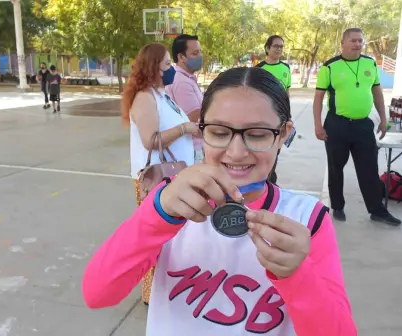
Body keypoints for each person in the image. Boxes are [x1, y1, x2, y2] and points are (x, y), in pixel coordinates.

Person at [83, 67, 357, 336]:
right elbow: (97, 294)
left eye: (258, 134)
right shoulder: (170, 202)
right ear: (201, 130)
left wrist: (298, 275)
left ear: (283, 134)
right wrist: (156, 215)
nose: (236, 152)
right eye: (219, 132)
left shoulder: (307, 219)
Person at [121, 43, 199, 305]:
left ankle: (167, 289)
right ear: (152, 68)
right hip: (157, 179)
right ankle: (151, 294)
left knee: (172, 238)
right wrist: (185, 129)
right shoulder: (144, 97)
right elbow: (150, 140)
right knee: (155, 238)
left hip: (173, 176)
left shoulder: (161, 94)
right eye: (166, 65)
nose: (170, 70)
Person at [313, 27, 401, 226]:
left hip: (363, 126)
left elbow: (377, 92)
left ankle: (377, 210)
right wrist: (318, 125)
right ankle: (338, 206)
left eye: (360, 41)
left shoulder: (369, 63)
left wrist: (383, 118)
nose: (357, 44)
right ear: (343, 43)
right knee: (336, 167)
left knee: (369, 168)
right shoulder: (330, 66)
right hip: (337, 125)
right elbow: (318, 97)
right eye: (353, 40)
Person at [256, 35, 292, 185]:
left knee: (275, 151)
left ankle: (270, 182)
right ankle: (265, 182)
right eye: (276, 46)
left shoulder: (286, 68)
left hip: (281, 118)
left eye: (281, 46)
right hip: (262, 118)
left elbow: (287, 93)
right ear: (267, 48)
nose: (279, 49)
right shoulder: (259, 69)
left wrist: (288, 115)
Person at [166, 34, 204, 163]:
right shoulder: (182, 82)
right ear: (181, 57)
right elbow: (195, 117)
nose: (200, 56)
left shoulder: (187, 78)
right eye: (195, 53)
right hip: (192, 149)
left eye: (200, 52)